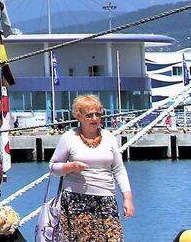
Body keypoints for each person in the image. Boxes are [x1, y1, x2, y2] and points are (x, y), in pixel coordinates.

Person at [49, 94, 134, 240]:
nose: (94, 119)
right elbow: (53, 167)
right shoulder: (69, 137)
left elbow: (119, 169)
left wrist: (127, 198)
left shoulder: (109, 137)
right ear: (79, 116)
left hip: (106, 200)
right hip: (76, 200)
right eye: (89, 115)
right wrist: (70, 167)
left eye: (98, 114)